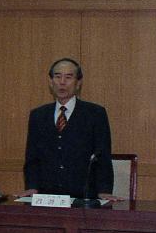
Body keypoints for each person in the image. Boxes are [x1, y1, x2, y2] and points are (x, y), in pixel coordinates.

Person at [23, 58, 114, 199]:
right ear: (50, 82)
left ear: (78, 83)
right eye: (57, 76)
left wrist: (104, 190)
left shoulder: (95, 113)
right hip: (47, 195)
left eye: (68, 77)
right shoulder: (38, 115)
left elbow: (102, 156)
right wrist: (31, 187)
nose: (62, 82)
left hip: (84, 195)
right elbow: (32, 157)